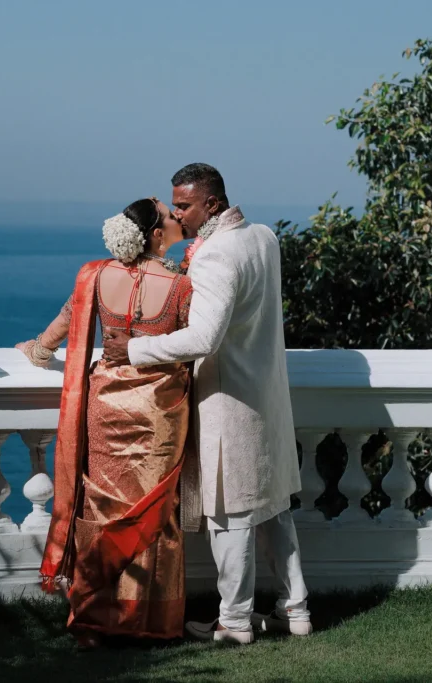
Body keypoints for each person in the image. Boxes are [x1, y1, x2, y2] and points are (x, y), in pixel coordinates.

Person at [103, 163, 310, 645]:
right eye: (174, 204)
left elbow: (204, 336)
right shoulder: (263, 237)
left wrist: (131, 350)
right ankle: (295, 609)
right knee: (275, 508)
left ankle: (234, 623)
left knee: (229, 515)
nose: (176, 213)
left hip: (228, 400)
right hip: (267, 396)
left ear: (211, 204)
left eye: (184, 205)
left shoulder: (216, 254)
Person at [16, 197, 201, 648]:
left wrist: (39, 350)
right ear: (157, 234)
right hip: (159, 410)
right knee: (155, 513)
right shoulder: (181, 285)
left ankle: (93, 621)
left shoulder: (96, 275)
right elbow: (194, 344)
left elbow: (68, 318)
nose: (177, 217)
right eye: (168, 213)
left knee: (101, 509)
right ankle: (149, 622)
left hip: (105, 404)